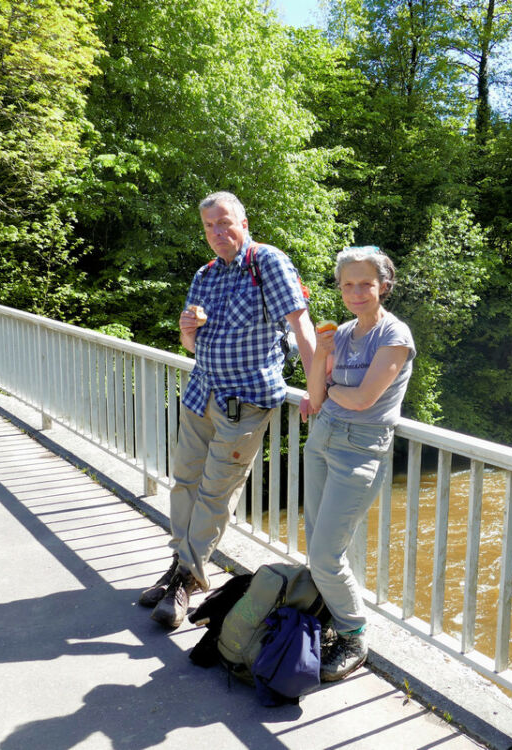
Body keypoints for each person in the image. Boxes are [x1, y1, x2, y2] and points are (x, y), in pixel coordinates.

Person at [140, 191, 316, 629]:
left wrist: (317, 391)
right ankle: (182, 566)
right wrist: (186, 332)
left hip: (246, 403)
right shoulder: (205, 274)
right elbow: (193, 346)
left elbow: (302, 327)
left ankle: (187, 578)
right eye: (209, 227)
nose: (217, 233)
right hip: (202, 394)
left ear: (243, 221)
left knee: (216, 494)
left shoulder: (268, 263)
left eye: (225, 223)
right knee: (184, 483)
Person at [303, 246, 415, 681]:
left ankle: (353, 635)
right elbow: (315, 396)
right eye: (347, 284)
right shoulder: (343, 332)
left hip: (361, 449)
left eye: (365, 283)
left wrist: (329, 390)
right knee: (317, 547)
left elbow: (366, 398)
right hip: (322, 440)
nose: (355, 292)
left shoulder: (394, 336)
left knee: (326, 554)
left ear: (383, 286)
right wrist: (320, 355)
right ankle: (333, 621)